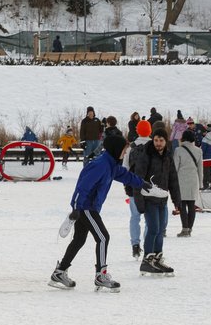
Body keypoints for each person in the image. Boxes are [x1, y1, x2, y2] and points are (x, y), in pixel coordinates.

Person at [50, 135, 149, 291]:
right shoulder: (100, 165)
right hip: (85, 207)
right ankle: (101, 275)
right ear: (116, 149)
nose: (124, 153)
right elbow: (82, 186)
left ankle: (60, 272)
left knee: (79, 240)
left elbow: (124, 175)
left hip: (89, 207)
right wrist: (76, 207)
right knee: (103, 238)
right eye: (123, 150)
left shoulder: (111, 164)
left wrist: (141, 183)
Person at [130, 127, 181, 275]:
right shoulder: (146, 155)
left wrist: (177, 201)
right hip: (149, 199)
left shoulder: (167, 157)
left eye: (161, 140)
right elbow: (137, 180)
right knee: (153, 228)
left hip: (162, 200)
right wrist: (139, 202)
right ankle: (147, 260)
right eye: (156, 140)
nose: (158, 143)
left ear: (166, 141)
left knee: (160, 230)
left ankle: (157, 258)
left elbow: (173, 180)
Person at [124, 119, 152, 259]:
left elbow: (125, 169)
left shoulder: (131, 147)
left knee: (135, 217)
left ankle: (135, 245)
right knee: (149, 218)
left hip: (133, 186)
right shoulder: (154, 146)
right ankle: (148, 246)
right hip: (150, 188)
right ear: (150, 131)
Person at [173, 129, 203, 237]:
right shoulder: (198, 151)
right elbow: (200, 169)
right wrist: (201, 183)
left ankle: (184, 229)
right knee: (191, 205)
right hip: (193, 180)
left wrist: (172, 183)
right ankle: (189, 229)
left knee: (182, 206)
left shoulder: (178, 150)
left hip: (181, 180)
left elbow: (175, 167)